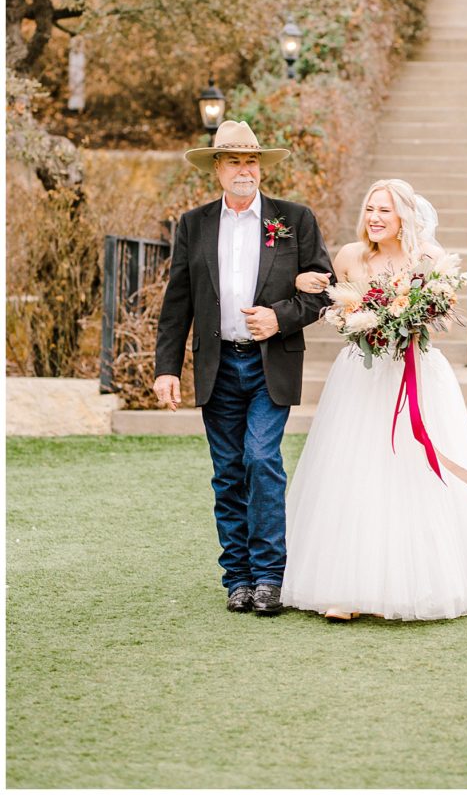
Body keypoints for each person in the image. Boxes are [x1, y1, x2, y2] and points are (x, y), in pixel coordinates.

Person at [281, 178, 467, 621]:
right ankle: (344, 585)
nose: (375, 218)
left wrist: (411, 317)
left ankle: (418, 580)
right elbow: (330, 302)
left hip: (414, 373)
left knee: (411, 471)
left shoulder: (427, 257)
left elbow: (442, 309)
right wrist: (312, 288)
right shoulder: (349, 256)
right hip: (360, 377)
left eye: (384, 210)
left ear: (404, 215)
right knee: (355, 471)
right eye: (369, 209)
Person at [154, 120, 333, 616]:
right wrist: (166, 368)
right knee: (228, 472)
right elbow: (178, 304)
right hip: (216, 366)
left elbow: (324, 291)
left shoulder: (294, 219)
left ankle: (270, 576)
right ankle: (238, 577)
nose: (244, 170)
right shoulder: (193, 224)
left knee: (261, 459)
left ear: (261, 167)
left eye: (251, 160)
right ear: (216, 168)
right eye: (233, 161)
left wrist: (281, 318)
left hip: (269, 365)